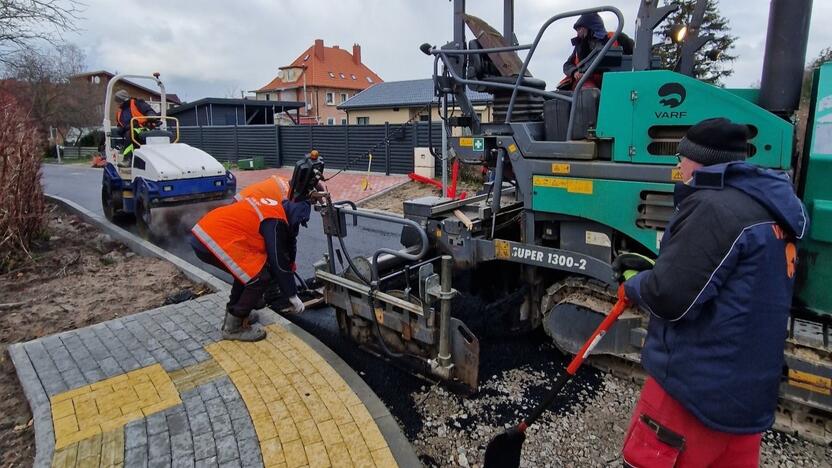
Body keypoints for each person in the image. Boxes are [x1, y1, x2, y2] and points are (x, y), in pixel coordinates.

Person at [614, 118, 808, 467]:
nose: (677, 165)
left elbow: (669, 298)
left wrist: (636, 284)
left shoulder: (713, 207)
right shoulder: (774, 210)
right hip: (747, 400)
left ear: (699, 160)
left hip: (694, 395)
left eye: (680, 158)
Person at [189, 194, 311, 341]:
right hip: (212, 239)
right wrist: (292, 294)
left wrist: (290, 264)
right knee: (260, 276)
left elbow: (289, 242)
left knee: (247, 272)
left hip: (207, 233)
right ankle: (233, 327)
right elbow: (277, 258)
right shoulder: (275, 221)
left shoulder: (275, 207)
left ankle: (235, 312)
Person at [558, 13, 634, 90]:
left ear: (589, 27)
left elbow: (639, 52)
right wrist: (574, 72)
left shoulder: (617, 37)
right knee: (587, 90)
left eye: (579, 29)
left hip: (615, 81)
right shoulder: (579, 46)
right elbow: (567, 65)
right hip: (588, 83)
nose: (578, 33)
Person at [114, 89, 158, 166]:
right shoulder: (119, 112)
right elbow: (119, 124)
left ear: (124, 100)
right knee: (128, 133)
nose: (118, 104)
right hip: (129, 130)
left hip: (143, 128)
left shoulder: (137, 103)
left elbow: (149, 110)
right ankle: (132, 158)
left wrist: (151, 115)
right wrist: (119, 129)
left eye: (119, 101)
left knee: (129, 133)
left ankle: (127, 159)